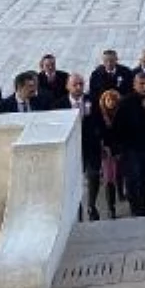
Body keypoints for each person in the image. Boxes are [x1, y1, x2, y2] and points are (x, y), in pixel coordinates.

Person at [113, 72, 145, 216]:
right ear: (135, 85)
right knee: (133, 179)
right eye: (141, 84)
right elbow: (118, 126)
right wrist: (118, 148)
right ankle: (135, 208)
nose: (144, 87)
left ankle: (144, 207)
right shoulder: (126, 102)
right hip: (131, 149)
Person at [58, 74, 101, 220]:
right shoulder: (59, 104)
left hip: (91, 146)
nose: (78, 87)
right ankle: (78, 208)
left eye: (81, 84)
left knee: (93, 175)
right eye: (75, 84)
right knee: (74, 179)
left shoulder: (93, 101)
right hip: (71, 147)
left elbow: (100, 122)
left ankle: (92, 205)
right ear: (67, 86)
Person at [95, 89, 122, 219]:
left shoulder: (121, 113)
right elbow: (99, 134)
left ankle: (121, 193)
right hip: (106, 151)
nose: (111, 103)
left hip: (119, 149)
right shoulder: (100, 115)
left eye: (113, 100)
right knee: (109, 179)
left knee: (121, 174)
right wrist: (103, 147)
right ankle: (111, 207)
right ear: (104, 101)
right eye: (108, 100)